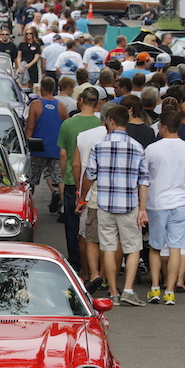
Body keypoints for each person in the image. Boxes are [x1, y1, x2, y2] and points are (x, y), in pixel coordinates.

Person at [77, 104, 149, 306]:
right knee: (133, 247)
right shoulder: (137, 146)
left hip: (104, 204)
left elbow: (90, 175)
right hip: (129, 204)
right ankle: (128, 289)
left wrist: (82, 199)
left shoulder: (99, 145)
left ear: (111, 121)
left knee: (108, 246)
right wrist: (142, 209)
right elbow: (143, 180)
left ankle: (114, 293)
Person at [144, 110, 185, 306]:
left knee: (155, 247)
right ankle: (170, 291)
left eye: (160, 126)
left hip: (158, 203)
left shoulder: (152, 149)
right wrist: (182, 177)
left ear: (165, 127)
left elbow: (143, 177)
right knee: (176, 247)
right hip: (181, 202)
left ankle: (154, 287)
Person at [58, 87, 102, 273]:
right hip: (97, 181)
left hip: (72, 179)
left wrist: (65, 175)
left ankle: (75, 262)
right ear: (98, 102)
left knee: (72, 224)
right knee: (95, 227)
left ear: (81, 100)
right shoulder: (102, 124)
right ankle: (96, 266)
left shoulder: (68, 124)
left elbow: (63, 154)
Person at [24, 77, 68, 212]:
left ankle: (27, 207)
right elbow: (66, 125)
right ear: (54, 89)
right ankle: (64, 207)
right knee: (60, 179)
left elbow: (30, 127)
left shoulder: (36, 104)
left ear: (42, 88)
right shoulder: (60, 105)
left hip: (38, 148)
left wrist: (25, 143)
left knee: (30, 180)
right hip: (56, 149)